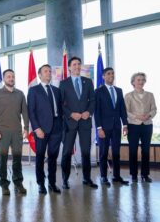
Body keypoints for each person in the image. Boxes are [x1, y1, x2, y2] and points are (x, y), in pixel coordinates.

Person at [60, 56, 98, 189]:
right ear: (69, 67)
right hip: (70, 123)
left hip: (85, 122)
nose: (77, 66)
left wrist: (89, 112)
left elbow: (93, 100)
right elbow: (61, 104)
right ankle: (65, 180)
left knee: (86, 152)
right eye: (74, 64)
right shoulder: (64, 83)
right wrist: (71, 114)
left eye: (79, 64)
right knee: (66, 152)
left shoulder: (88, 82)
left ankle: (87, 179)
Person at [0, 69, 28, 196]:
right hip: (2, 132)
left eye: (13, 76)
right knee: (3, 159)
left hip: (17, 132)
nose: (11, 78)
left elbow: (25, 112)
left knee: (17, 158)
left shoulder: (20, 94)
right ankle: (4, 184)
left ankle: (18, 182)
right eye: (8, 76)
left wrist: (26, 127)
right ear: (3, 79)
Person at [28, 64, 63, 194]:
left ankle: (52, 183)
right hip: (41, 129)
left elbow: (60, 110)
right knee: (40, 156)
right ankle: (41, 183)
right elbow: (31, 111)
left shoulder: (56, 90)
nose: (49, 73)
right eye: (45, 71)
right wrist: (37, 129)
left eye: (50, 71)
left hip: (57, 128)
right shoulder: (34, 90)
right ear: (40, 75)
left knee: (53, 157)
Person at [95, 67, 129, 186]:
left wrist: (125, 124)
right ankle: (103, 177)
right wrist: (99, 128)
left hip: (116, 127)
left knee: (116, 152)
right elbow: (97, 111)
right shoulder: (98, 91)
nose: (111, 76)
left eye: (113, 74)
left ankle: (116, 176)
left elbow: (122, 110)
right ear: (103, 76)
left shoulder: (119, 90)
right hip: (103, 128)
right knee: (103, 153)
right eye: (108, 74)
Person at [124, 72, 157, 183]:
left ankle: (145, 174)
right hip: (133, 126)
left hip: (147, 126)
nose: (141, 82)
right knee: (133, 150)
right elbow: (126, 112)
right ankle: (133, 175)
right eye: (138, 80)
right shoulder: (128, 95)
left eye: (142, 80)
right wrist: (137, 116)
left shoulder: (150, 95)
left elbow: (154, 109)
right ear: (133, 82)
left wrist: (148, 115)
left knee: (146, 151)